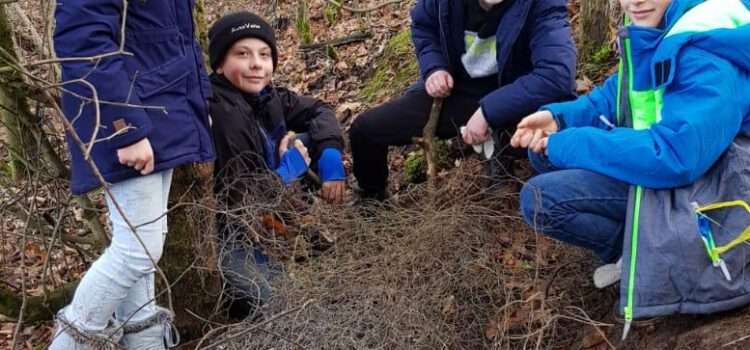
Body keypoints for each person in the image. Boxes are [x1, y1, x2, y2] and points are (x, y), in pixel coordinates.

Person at [513, 0, 750, 336]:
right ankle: (635, 246)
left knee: (540, 199)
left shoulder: (702, 49)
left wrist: (574, 142)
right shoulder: (666, 22)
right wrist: (560, 118)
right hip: (691, 167)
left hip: (717, 188)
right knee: (545, 154)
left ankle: (647, 259)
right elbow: (623, 92)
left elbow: (677, 156)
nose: (634, 1)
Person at [50, 1, 214, 349]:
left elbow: (171, 40)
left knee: (141, 250)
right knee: (138, 250)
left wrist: (198, 105)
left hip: (159, 111)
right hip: (132, 118)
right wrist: (124, 127)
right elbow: (82, 43)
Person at [349, 0, 577, 200]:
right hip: (457, 92)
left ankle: (503, 154)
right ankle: (373, 200)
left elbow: (556, 74)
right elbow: (423, 26)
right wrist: (434, 67)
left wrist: (488, 111)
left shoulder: (541, 4)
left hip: (516, 96)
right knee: (365, 129)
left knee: (554, 131)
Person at [207, 12, 346, 319]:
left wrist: (331, 156)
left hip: (269, 204)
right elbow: (240, 202)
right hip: (231, 235)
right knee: (283, 308)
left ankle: (297, 227)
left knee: (312, 139)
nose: (257, 64)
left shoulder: (265, 96)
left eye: (265, 54)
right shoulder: (221, 112)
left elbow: (319, 110)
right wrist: (287, 171)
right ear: (219, 63)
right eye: (242, 54)